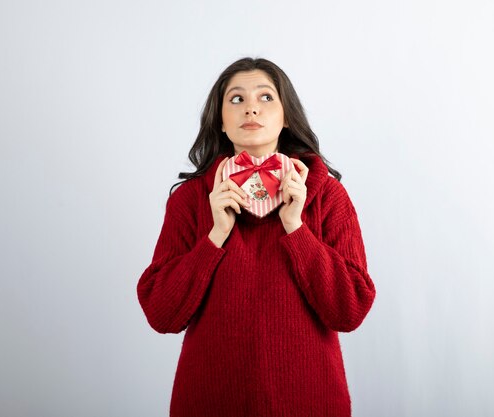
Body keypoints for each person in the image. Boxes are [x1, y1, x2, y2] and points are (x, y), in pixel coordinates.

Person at [137, 57, 376, 417]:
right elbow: (161, 314)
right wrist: (215, 236)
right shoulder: (190, 200)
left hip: (310, 401)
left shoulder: (326, 195)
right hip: (209, 402)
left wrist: (297, 229)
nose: (251, 106)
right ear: (220, 120)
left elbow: (351, 309)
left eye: (266, 97)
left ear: (286, 116)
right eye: (236, 99)